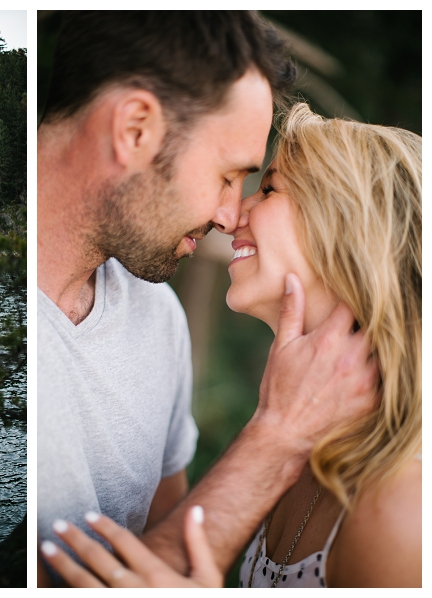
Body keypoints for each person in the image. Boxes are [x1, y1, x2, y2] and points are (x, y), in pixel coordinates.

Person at [37, 11, 377, 587]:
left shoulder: (156, 318)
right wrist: (276, 438)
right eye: (229, 176)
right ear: (135, 130)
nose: (230, 214)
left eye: (259, 185)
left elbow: (162, 546)